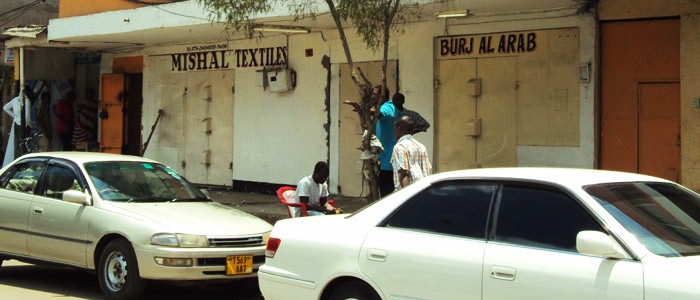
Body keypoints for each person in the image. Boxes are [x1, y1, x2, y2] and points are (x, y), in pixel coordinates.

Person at [372, 85, 400, 197]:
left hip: (388, 160)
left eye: (375, 94)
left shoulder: (386, 107)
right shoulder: (391, 107)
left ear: (382, 95)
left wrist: (368, 111)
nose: (372, 97)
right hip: (384, 158)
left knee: (386, 194)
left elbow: (381, 113)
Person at [391, 115, 432, 191]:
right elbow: (426, 172)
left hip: (408, 195)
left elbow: (405, 173)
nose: (394, 132)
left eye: (395, 129)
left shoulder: (400, 147)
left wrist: (405, 195)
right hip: (422, 193)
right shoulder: (421, 146)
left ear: (399, 129)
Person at [2, 91, 31, 166]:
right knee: (23, 143)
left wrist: (14, 116)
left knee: (16, 143)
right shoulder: (26, 101)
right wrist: (29, 125)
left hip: (16, 123)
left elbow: (5, 107)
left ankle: (16, 161)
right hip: (23, 125)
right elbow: (27, 116)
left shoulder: (15, 99)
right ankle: (22, 162)